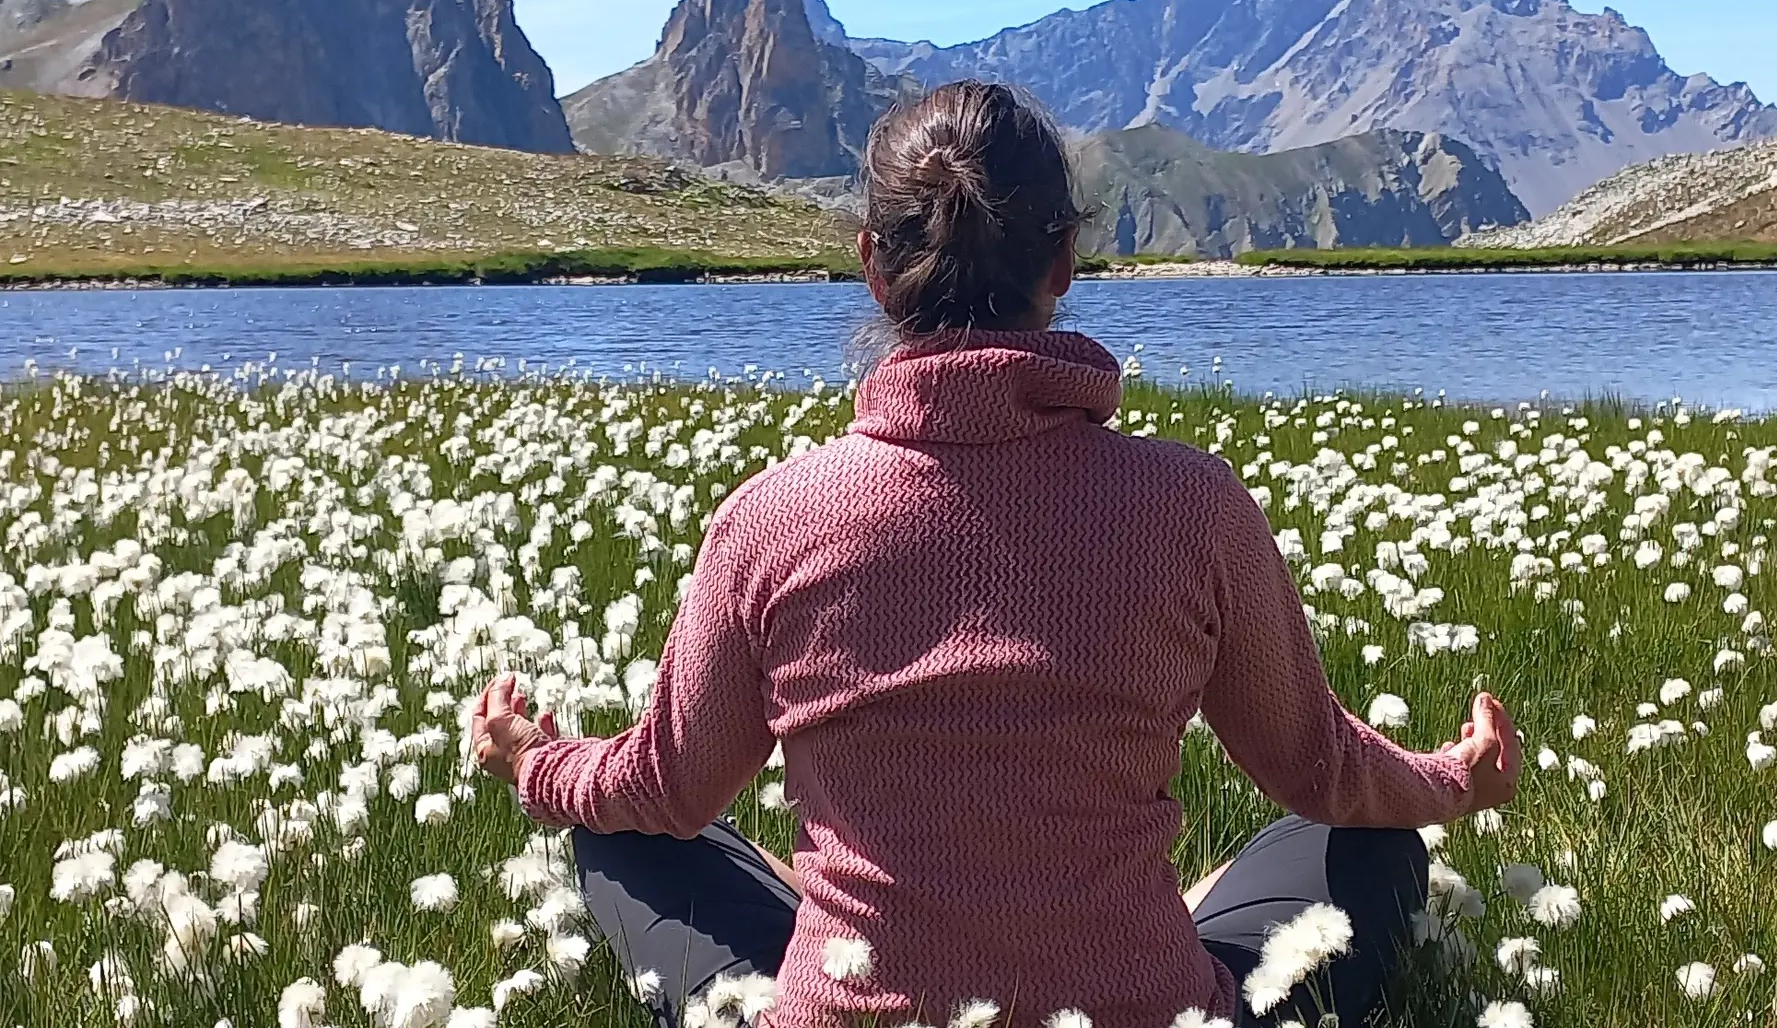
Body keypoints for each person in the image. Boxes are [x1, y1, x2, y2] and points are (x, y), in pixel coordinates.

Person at [470, 80, 1520, 1028]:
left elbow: (665, 788)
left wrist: (535, 761)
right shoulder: (1194, 504)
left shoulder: (771, 520)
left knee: (615, 839)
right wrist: (1452, 781)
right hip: (1146, 1012)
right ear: (1064, 259)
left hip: (856, 1006)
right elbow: (1320, 769)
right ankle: (1166, 921)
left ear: (874, 266)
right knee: (1376, 841)